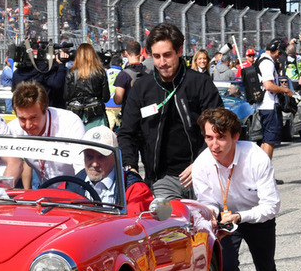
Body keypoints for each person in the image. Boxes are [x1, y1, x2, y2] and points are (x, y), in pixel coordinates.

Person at [192, 107, 285, 271]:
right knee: (227, 266)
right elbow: (206, 200)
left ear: (235, 136)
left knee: (265, 266)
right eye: (209, 137)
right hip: (226, 218)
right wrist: (213, 213)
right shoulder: (202, 163)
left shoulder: (256, 157)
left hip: (256, 214)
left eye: (221, 137)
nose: (214, 145)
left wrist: (242, 216)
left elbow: (271, 205)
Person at [117, 22, 223, 200]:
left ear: (179, 51)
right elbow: (127, 132)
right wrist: (130, 167)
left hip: (202, 174)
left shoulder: (200, 83)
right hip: (162, 180)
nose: (162, 63)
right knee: (166, 224)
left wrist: (201, 163)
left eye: (167, 55)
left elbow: (219, 127)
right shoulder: (142, 87)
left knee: (206, 224)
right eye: (156, 56)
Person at [8, 81, 85, 188]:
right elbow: (8, 165)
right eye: (22, 119)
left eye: (33, 118)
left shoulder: (70, 123)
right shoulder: (13, 129)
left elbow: (81, 168)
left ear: (46, 109)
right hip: (44, 193)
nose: (28, 125)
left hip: (74, 190)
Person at [66, 126, 154, 214]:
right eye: (89, 156)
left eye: (101, 156)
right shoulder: (69, 186)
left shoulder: (135, 190)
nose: (94, 164)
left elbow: (133, 224)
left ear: (115, 157)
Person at [256, 38, 294, 162]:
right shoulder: (268, 62)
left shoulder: (262, 59)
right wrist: (285, 90)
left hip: (265, 106)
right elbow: (268, 85)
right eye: (280, 53)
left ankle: (261, 172)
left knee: (267, 140)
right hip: (269, 106)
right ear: (275, 50)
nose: (280, 56)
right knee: (269, 141)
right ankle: (265, 174)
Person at [64, 43, 111, 129]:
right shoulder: (100, 72)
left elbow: (66, 96)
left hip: (76, 114)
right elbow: (106, 97)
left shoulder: (71, 72)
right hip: (96, 114)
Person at [113, 41, 148, 113]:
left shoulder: (123, 75)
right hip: (146, 114)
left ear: (126, 53)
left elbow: (118, 101)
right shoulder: (149, 71)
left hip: (130, 114)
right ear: (140, 52)